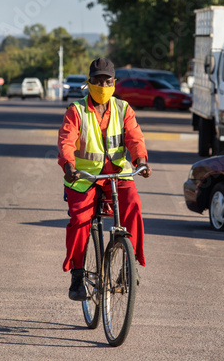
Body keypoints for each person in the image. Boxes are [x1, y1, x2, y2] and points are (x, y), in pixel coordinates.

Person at [58, 57, 152, 301]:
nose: (102, 85)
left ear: (114, 83)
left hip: (117, 175)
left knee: (134, 206)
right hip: (84, 178)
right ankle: (78, 276)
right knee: (80, 220)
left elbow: (135, 138)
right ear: (88, 82)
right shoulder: (76, 110)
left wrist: (141, 160)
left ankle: (129, 268)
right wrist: (68, 166)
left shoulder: (123, 109)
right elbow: (66, 141)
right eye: (97, 81)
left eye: (106, 81)